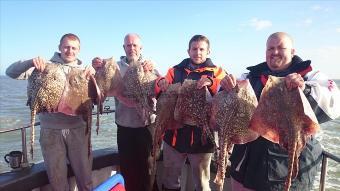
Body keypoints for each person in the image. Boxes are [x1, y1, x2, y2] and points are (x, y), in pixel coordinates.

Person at [220, 32, 340, 191]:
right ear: (265, 52)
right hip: (247, 163)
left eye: (281, 47)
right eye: (270, 48)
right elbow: (224, 98)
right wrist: (226, 86)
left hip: (287, 165)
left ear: (292, 52)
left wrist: (304, 89)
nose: (274, 52)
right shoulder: (251, 76)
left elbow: (333, 102)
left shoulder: (310, 76)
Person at [6, 33, 93, 191]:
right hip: (50, 131)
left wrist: (95, 72)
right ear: (59, 47)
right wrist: (29, 62)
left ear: (79, 50)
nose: (69, 51)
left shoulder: (85, 71)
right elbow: (10, 72)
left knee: (85, 178)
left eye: (73, 48)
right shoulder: (43, 66)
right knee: (58, 181)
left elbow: (98, 95)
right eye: (66, 47)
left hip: (78, 130)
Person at [156, 34, 227, 191]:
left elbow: (228, 89)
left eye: (202, 49)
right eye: (194, 49)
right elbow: (160, 89)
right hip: (174, 136)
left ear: (209, 51)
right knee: (170, 180)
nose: (198, 52)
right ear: (188, 51)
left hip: (202, 139)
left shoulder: (218, 72)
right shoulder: (174, 71)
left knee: (202, 184)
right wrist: (160, 82)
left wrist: (212, 83)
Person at [92, 33, 159, 191]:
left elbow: (160, 89)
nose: (132, 48)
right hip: (124, 126)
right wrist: (97, 68)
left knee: (148, 168)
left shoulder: (150, 66)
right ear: (124, 48)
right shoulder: (114, 67)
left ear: (140, 48)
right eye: (128, 45)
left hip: (147, 126)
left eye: (135, 45)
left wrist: (154, 70)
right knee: (128, 168)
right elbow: (101, 91)